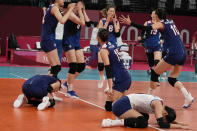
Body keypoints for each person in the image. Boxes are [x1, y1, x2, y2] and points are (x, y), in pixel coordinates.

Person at [119, 9, 194, 108]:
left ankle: (148, 99)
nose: (152, 15)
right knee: (172, 79)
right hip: (182, 52)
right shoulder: (170, 21)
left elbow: (148, 29)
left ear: (157, 16)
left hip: (174, 52)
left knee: (154, 73)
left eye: (154, 14)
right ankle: (188, 97)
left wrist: (130, 23)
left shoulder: (161, 23)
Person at [102, 93, 191, 129]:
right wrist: (180, 127)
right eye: (164, 118)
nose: (160, 118)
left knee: (145, 117)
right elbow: (161, 124)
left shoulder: (160, 104)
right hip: (121, 106)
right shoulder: (158, 105)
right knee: (143, 122)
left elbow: (163, 119)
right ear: (165, 113)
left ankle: (123, 118)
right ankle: (111, 122)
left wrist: (178, 123)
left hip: (124, 104)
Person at [98, 28, 131, 111]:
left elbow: (108, 69)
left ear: (98, 38)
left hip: (121, 79)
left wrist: (110, 88)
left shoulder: (103, 50)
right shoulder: (111, 44)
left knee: (112, 107)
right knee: (121, 104)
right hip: (124, 76)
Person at [40, 0, 75, 78]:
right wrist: (70, 9)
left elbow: (61, 16)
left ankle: (50, 84)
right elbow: (62, 21)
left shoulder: (53, 8)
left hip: (48, 39)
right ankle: (48, 85)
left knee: (56, 67)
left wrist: (67, 10)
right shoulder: (54, 8)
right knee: (56, 67)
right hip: (48, 39)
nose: (64, 0)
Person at [61, 1, 86, 98]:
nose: (81, 7)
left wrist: (82, 11)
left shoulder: (78, 13)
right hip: (68, 40)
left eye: (82, 6)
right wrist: (80, 11)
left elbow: (86, 22)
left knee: (82, 66)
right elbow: (82, 22)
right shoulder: (70, 13)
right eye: (79, 5)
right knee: (73, 65)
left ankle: (67, 83)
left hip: (76, 42)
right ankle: (69, 90)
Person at [138, 9, 162, 77]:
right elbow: (142, 33)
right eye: (153, 13)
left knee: (157, 61)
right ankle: (152, 71)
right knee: (151, 63)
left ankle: (157, 77)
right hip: (148, 44)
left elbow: (163, 33)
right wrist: (140, 37)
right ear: (151, 15)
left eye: (155, 13)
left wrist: (162, 39)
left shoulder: (159, 23)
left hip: (157, 44)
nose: (154, 15)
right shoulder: (147, 23)